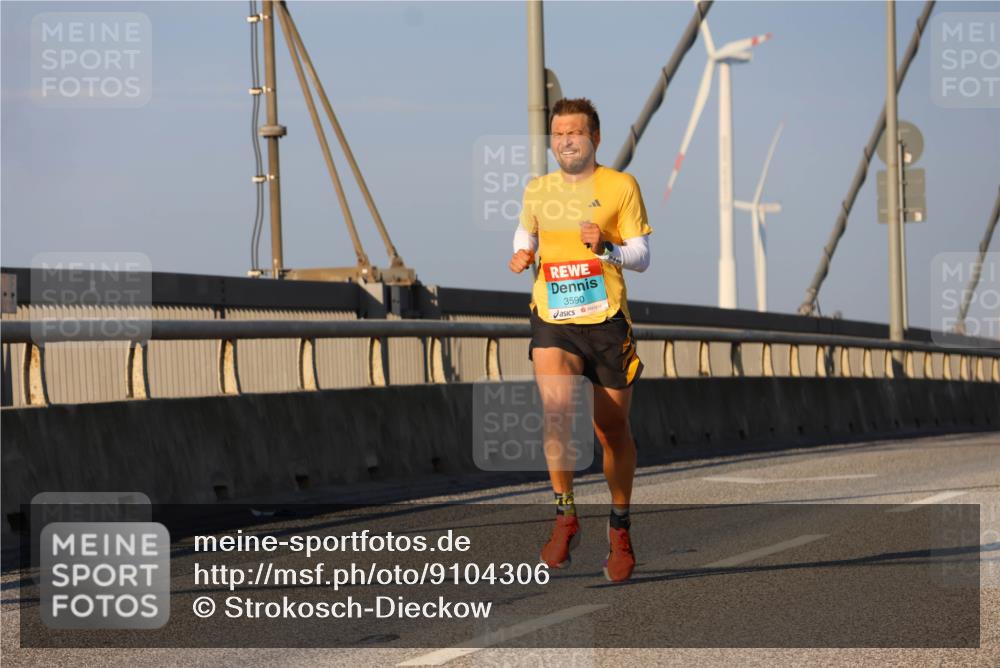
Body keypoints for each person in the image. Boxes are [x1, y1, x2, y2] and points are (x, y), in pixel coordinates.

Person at [508, 97, 652, 582]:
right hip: (554, 317)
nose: (566, 139)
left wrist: (606, 247)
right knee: (557, 411)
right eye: (558, 133)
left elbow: (642, 254)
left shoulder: (621, 186)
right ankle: (565, 516)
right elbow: (524, 232)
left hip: (607, 321)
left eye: (575, 132)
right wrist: (524, 253)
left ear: (595, 138)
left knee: (611, 432)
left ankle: (619, 527)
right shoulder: (538, 189)